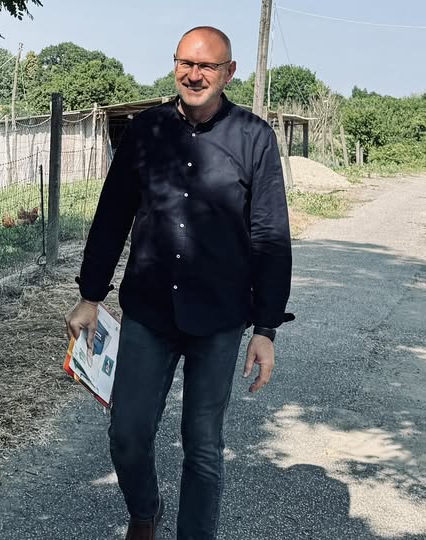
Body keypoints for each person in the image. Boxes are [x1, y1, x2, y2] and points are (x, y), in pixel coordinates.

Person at [65, 25, 292, 540]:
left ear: (229, 73)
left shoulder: (255, 138)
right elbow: (113, 214)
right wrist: (90, 295)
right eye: (185, 63)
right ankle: (145, 511)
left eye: (207, 66)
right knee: (127, 434)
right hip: (150, 310)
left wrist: (266, 329)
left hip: (219, 317)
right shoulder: (146, 131)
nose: (194, 75)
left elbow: (270, 235)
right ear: (175, 66)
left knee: (203, 446)